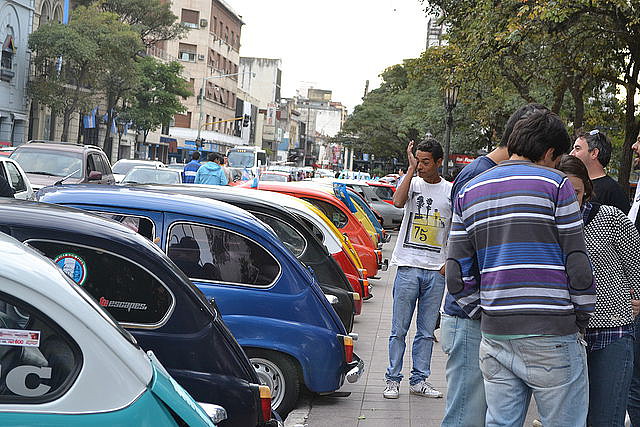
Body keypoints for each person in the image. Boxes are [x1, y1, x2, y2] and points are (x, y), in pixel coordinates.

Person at [447, 110, 596, 426]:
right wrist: (581, 316)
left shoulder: (469, 190)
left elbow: (456, 273)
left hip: (496, 335)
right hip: (554, 333)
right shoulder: (556, 185)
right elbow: (577, 262)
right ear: (548, 153)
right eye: (557, 160)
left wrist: (483, 312)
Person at [440, 103, 548, 427]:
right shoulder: (479, 175)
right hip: (471, 317)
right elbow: (462, 256)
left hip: (484, 316)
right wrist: (480, 309)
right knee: (465, 416)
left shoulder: (487, 172)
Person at [556, 154, 640, 426]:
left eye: (577, 192)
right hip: (564, 337)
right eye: (564, 193)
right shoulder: (546, 225)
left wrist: (637, 299)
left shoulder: (612, 219)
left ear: (587, 191)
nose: (570, 200)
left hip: (611, 333)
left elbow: (636, 268)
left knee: (605, 418)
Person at [383, 137, 451, 399]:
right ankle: (392, 379)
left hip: (436, 271)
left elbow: (456, 228)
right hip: (408, 267)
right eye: (418, 161)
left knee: (425, 332)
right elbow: (398, 202)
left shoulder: (450, 190)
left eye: (425, 162)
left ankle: (419, 379)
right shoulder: (413, 183)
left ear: (438, 162)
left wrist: (448, 262)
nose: (421, 166)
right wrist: (410, 169)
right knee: (398, 329)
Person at [570, 129, 630, 213]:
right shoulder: (574, 184)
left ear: (594, 153)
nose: (571, 154)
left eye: (577, 149)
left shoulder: (614, 192)